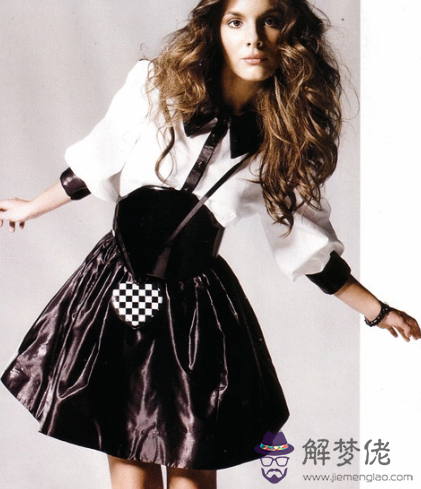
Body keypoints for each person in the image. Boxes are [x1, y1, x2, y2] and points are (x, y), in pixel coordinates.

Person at [0, 0, 419, 488]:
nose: (253, 37)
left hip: (193, 316)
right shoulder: (154, 85)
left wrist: (378, 312)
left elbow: (309, 249)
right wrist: (31, 207)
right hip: (116, 288)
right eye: (236, 21)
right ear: (215, 30)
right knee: (128, 458)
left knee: (190, 466)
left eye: (270, 21)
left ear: (292, 35)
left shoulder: (283, 144)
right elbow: (98, 158)